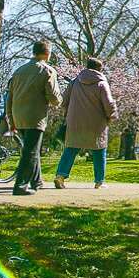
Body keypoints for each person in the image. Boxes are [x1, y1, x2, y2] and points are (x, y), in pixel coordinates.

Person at [6, 42, 61, 194]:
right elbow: (53, 96)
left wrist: (10, 119)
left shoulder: (18, 71)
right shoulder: (47, 71)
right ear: (47, 53)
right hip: (35, 117)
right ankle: (20, 186)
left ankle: (37, 181)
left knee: (31, 149)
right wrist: (59, 101)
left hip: (18, 116)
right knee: (30, 152)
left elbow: (9, 97)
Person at [54, 58, 117, 189]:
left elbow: (64, 100)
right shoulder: (101, 84)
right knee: (99, 151)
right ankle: (99, 181)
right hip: (96, 124)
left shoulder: (75, 82)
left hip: (75, 122)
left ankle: (60, 176)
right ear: (99, 69)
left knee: (71, 149)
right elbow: (109, 103)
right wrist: (112, 115)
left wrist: (68, 114)